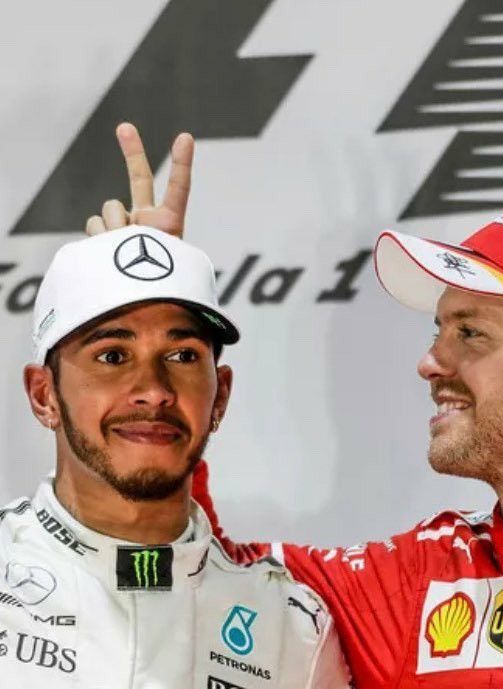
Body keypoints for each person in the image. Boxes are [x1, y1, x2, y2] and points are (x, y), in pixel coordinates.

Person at [94, 124, 503, 688]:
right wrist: (154, 308)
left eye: (471, 333)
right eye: (439, 332)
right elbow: (203, 582)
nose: (430, 362)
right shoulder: (411, 579)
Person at [0, 148, 350, 687]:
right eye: (113, 356)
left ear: (221, 396)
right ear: (43, 394)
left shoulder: (292, 630)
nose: (153, 391)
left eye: (183, 355)